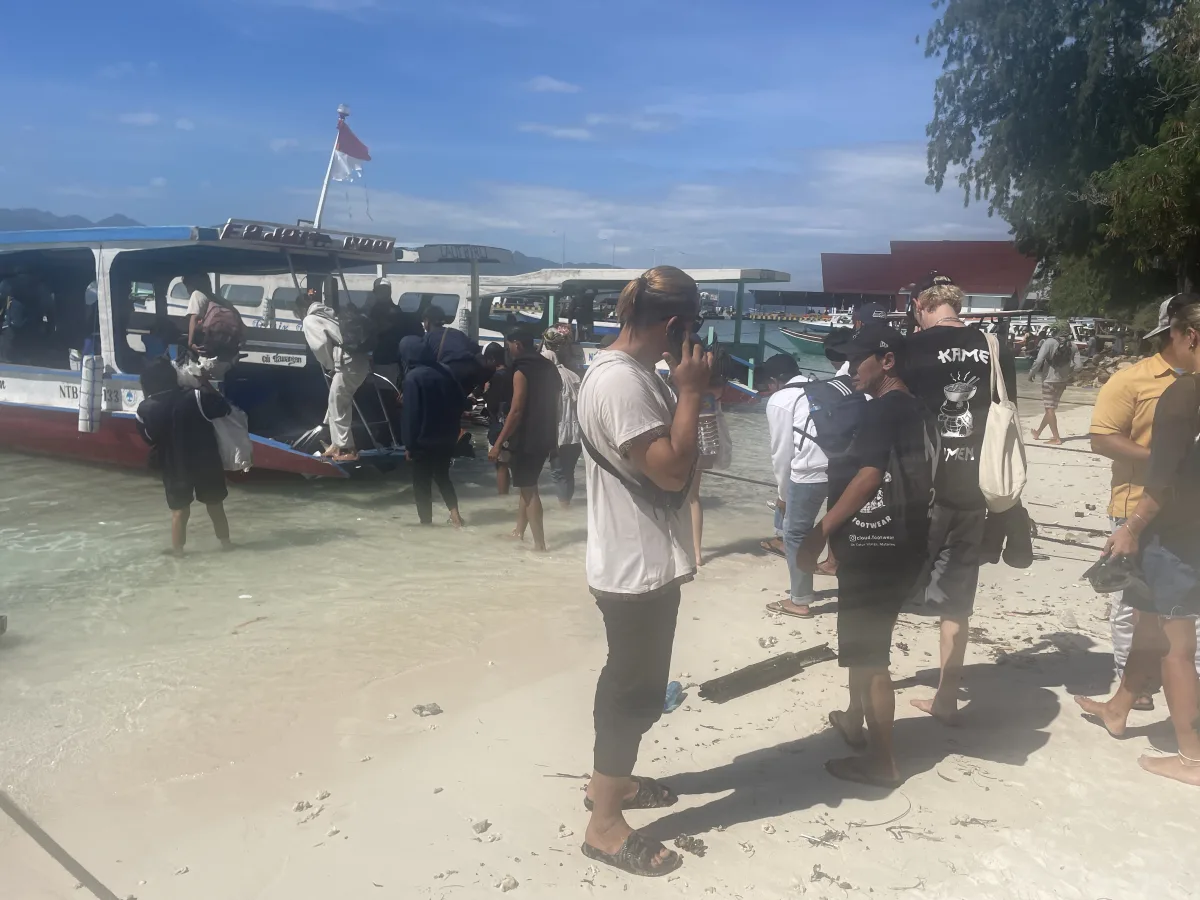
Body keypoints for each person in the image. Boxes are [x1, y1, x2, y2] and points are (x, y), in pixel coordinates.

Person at [576, 265, 710, 877]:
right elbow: (672, 472)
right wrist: (691, 391)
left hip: (640, 560)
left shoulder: (628, 374)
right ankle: (603, 826)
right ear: (678, 325)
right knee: (632, 693)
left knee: (635, 686)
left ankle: (614, 782)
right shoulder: (621, 383)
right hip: (634, 567)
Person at [797, 323, 935, 787]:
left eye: (859, 359)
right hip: (907, 542)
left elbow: (868, 479)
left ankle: (883, 762)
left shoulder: (881, 410)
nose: (850, 368)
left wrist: (819, 534)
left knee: (870, 655)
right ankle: (854, 719)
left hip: (877, 549)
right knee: (862, 646)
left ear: (887, 361)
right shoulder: (916, 406)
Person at [1074, 300, 1200, 788]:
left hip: (1171, 531)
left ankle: (1191, 758)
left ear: (1186, 335)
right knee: (1148, 623)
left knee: (1176, 645)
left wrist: (1132, 526)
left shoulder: (1182, 392)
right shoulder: (1156, 385)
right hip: (1184, 528)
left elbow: (1164, 478)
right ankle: (1119, 708)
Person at [901, 280, 998, 724]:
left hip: (926, 490)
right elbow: (1004, 411)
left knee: (891, 587)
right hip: (978, 487)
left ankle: (873, 696)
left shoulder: (913, 348)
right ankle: (945, 699)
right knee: (958, 600)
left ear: (923, 307)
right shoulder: (994, 346)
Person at [135, 357, 233, 556]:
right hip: (206, 460)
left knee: (179, 512)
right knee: (215, 506)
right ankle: (227, 546)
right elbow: (224, 408)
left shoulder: (145, 409)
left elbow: (149, 439)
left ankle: (178, 553)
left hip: (174, 465)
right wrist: (204, 382)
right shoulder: (196, 396)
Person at [764, 353, 830, 618]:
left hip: (809, 472)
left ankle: (799, 601)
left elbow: (781, 452)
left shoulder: (779, 400)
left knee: (794, 533)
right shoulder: (821, 386)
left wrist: (783, 495)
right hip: (842, 467)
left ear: (773, 381)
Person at [488, 328, 560, 551]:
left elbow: (517, 410)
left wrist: (498, 444)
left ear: (517, 344)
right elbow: (555, 405)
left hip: (526, 438)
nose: (508, 349)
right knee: (527, 484)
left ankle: (540, 545)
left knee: (529, 491)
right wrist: (554, 438)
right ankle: (519, 532)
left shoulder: (521, 370)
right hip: (544, 435)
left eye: (509, 344)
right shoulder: (549, 367)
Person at [296, 288, 370, 462]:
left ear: (300, 309)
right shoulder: (329, 315)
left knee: (338, 404)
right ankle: (336, 445)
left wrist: (330, 364)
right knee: (336, 401)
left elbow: (320, 345)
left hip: (347, 363)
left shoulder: (310, 319)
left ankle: (347, 449)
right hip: (360, 361)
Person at [398, 336, 465, 527]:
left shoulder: (412, 378)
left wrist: (409, 444)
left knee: (421, 483)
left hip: (423, 440)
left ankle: (426, 523)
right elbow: (461, 402)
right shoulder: (446, 370)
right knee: (443, 476)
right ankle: (455, 515)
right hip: (447, 436)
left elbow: (412, 415)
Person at [542, 325, 584, 508]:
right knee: (568, 471)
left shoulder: (551, 376)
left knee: (558, 472)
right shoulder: (574, 375)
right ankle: (567, 507)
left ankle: (564, 509)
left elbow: (551, 408)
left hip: (558, 431)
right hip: (577, 432)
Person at [183, 273, 244, 380]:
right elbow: (242, 327)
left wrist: (191, 343)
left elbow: (195, 318)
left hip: (206, 355)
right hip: (226, 356)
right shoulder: (221, 300)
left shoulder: (197, 294)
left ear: (191, 284)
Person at [1029, 325, 1081, 444]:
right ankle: (1038, 432)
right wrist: (1068, 373)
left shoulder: (1049, 342)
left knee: (1049, 409)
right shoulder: (1073, 345)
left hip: (1048, 380)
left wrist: (1031, 373)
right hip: (1062, 381)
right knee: (1051, 409)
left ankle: (1056, 437)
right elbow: (1079, 366)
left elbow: (1038, 361)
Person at [423, 307, 483, 397]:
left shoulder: (427, 338)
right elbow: (475, 348)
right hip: (470, 370)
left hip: (450, 373)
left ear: (427, 321)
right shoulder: (456, 332)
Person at [482, 342, 513, 495]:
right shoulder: (513, 373)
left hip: (500, 427)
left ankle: (503, 500)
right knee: (510, 464)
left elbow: (492, 405)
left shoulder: (497, 377)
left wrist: (486, 392)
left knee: (501, 466)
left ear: (492, 359)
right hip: (513, 425)